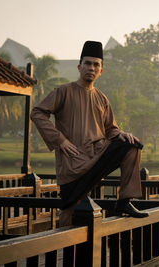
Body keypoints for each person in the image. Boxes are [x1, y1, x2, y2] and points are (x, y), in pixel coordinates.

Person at [30, 41, 148, 226]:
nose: (91, 68)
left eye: (96, 65)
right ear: (79, 67)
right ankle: (63, 248)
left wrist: (121, 134)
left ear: (101, 71)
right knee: (70, 205)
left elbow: (111, 129)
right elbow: (37, 112)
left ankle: (124, 202)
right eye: (87, 63)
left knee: (132, 146)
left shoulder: (102, 98)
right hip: (73, 162)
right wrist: (60, 140)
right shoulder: (63, 91)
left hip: (97, 155)